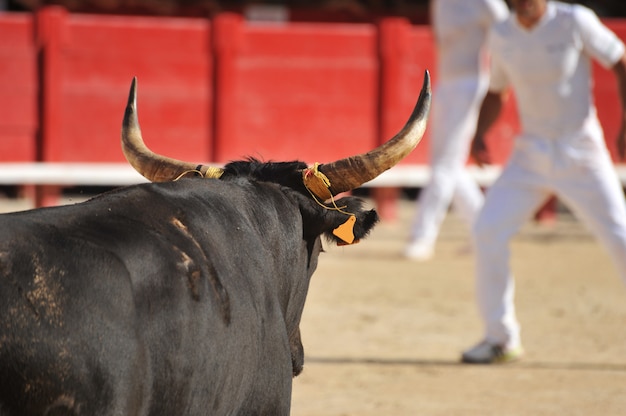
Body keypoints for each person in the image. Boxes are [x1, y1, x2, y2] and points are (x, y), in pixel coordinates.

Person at [462, 0, 626, 364]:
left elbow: (620, 61)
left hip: (581, 149)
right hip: (531, 153)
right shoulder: (502, 32)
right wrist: (479, 134)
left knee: (621, 237)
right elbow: (497, 89)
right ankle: (501, 338)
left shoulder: (575, 21)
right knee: (488, 230)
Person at [404, 0, 509, 261]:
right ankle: (487, 231)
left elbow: (509, 31)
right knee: (448, 166)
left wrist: (501, 77)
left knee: (445, 166)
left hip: (470, 85)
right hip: (446, 85)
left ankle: (422, 236)